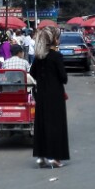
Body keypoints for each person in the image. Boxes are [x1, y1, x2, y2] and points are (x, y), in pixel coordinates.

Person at [30, 26, 69, 169]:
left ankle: (41, 157)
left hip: (41, 95)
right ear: (53, 40)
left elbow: (32, 73)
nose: (59, 40)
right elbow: (63, 78)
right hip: (56, 96)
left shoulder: (39, 57)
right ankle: (56, 159)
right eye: (57, 37)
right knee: (56, 126)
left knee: (41, 124)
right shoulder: (56, 56)